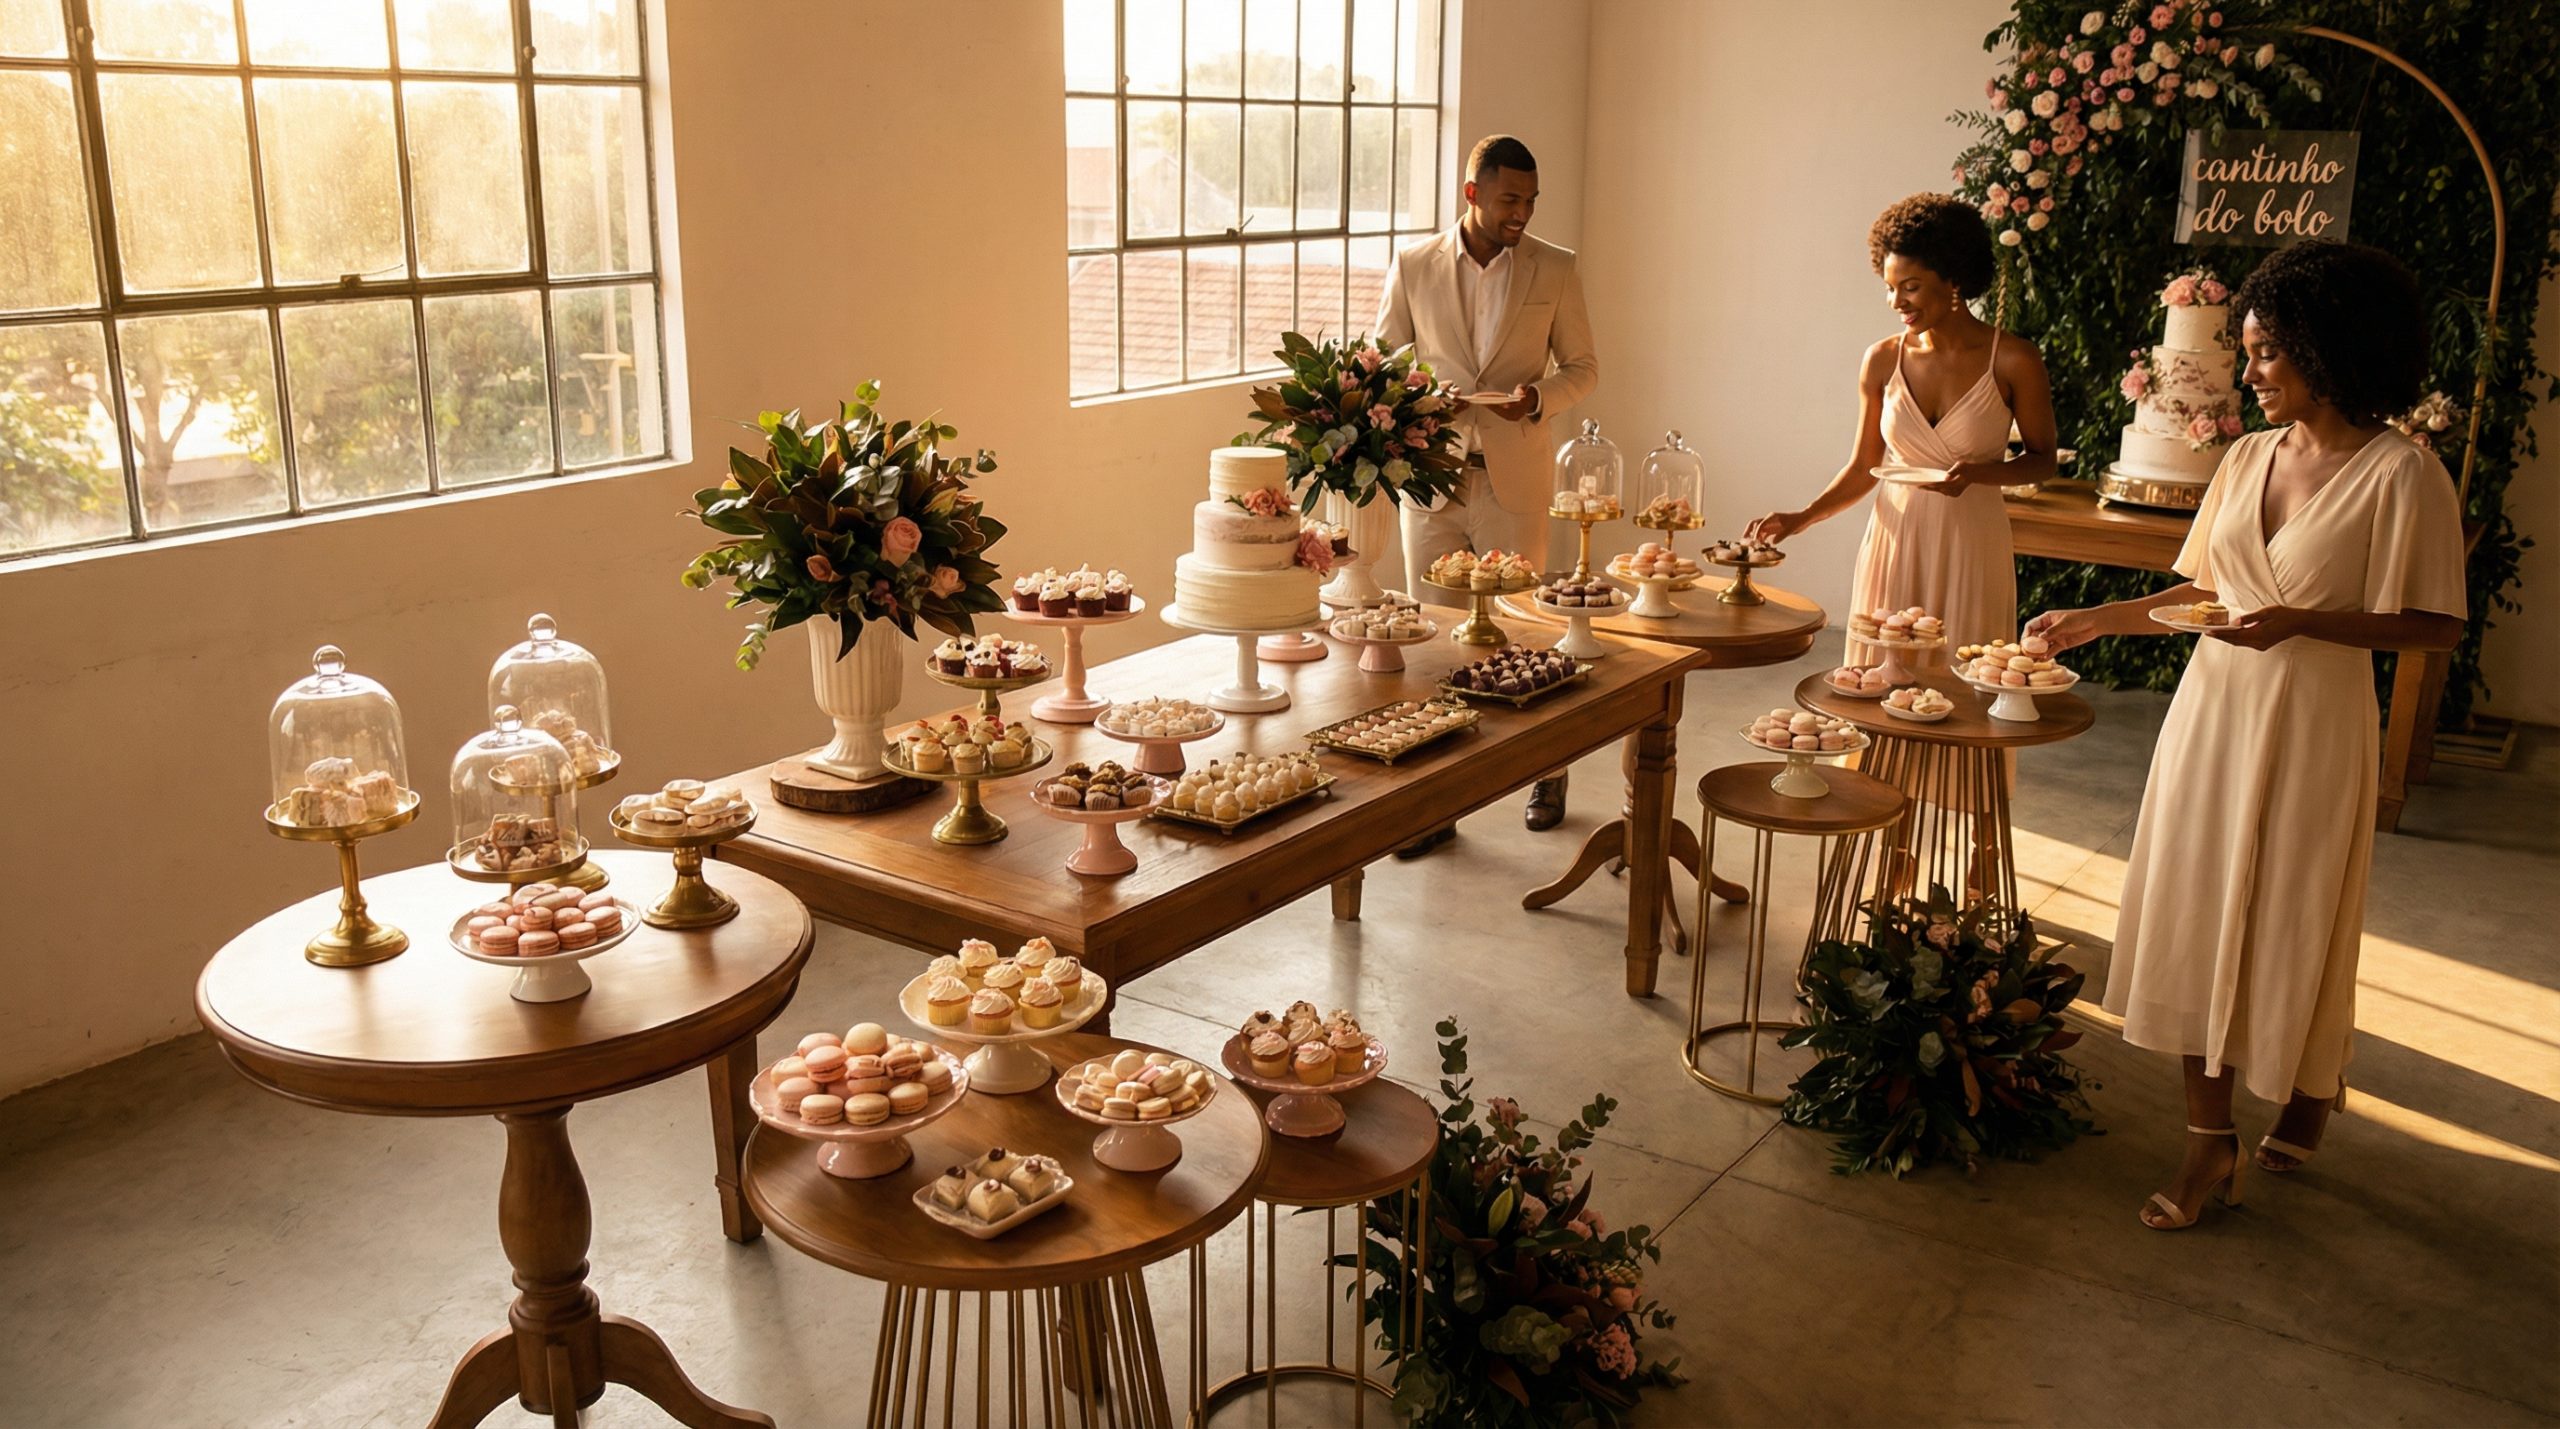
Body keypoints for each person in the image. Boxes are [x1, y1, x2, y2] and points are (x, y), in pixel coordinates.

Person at [2023, 239, 2466, 1232]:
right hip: (2213, 712)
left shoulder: (2403, 474)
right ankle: (2207, 1140)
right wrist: (2095, 620)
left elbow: (2435, 624)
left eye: (2267, 352)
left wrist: (2306, 620)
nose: (2249, 371)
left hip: (2314, 722)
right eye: (2248, 351)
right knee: (2198, 905)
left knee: (2292, 912)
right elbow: (2206, 592)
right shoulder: (2244, 457)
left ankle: (2313, 1078)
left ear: (2328, 346)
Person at [1376, 134, 1599, 848]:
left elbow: (1586, 367)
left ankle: (1547, 771)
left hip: (1515, 478)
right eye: (1510, 199)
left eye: (1531, 202)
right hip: (1431, 481)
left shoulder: (1555, 268)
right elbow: (1379, 358)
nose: (1522, 214)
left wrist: (1536, 396)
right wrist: (1418, 395)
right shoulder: (1413, 264)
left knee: (1527, 634)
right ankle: (1435, 803)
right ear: (1472, 193)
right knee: (1436, 645)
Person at [1749, 194, 2058, 662]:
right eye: (1889, 287)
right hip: (1894, 541)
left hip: (1970, 543)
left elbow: (2042, 460)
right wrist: (1801, 518)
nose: (1897, 302)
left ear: (1953, 278)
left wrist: (1978, 474)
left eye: (1910, 287)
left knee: (1963, 675)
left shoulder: (2014, 359)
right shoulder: (1881, 360)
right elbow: (1863, 468)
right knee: (1880, 678)